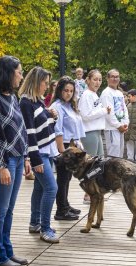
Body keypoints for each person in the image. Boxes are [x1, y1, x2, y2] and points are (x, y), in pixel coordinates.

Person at [0, 56, 30, 266]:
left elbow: (20, 129)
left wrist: (27, 157)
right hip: (4, 161)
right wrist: (1, 165)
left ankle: (7, 251)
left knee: (9, 209)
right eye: (19, 72)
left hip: (19, 157)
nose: (21, 76)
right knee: (0, 209)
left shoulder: (12, 96)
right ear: (8, 72)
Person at [19, 67, 60, 244]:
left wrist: (52, 116)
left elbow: (43, 125)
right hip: (39, 153)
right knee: (51, 188)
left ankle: (35, 222)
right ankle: (45, 228)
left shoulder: (38, 101)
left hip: (46, 149)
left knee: (40, 187)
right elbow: (29, 132)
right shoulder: (26, 103)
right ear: (36, 82)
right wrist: (34, 159)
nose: (47, 87)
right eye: (45, 83)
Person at [50, 76, 84, 220]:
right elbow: (58, 130)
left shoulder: (70, 105)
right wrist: (61, 152)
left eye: (71, 91)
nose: (69, 93)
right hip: (63, 145)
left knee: (68, 178)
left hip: (73, 145)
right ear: (60, 91)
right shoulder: (57, 106)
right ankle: (61, 210)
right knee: (63, 178)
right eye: (66, 90)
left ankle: (65, 204)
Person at [78, 69, 110, 204]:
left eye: (100, 80)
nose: (97, 82)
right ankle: (87, 194)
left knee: (99, 165)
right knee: (90, 166)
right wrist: (103, 111)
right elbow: (85, 115)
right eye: (95, 79)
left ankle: (95, 192)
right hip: (89, 132)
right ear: (88, 80)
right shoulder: (86, 95)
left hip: (97, 131)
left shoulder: (94, 95)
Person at [100, 69, 129, 158]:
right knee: (113, 155)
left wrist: (126, 123)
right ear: (107, 79)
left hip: (121, 128)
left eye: (117, 77)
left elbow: (124, 110)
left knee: (120, 155)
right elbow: (109, 113)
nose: (115, 79)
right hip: (112, 128)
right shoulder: (106, 93)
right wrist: (118, 126)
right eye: (112, 77)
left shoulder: (120, 93)